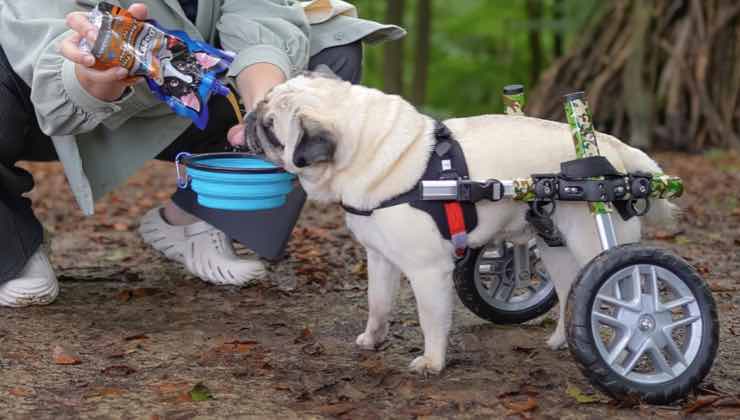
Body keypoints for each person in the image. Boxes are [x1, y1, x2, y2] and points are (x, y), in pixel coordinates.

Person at [0, 0, 404, 307]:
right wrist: (88, 78)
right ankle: (11, 246)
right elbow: (39, 33)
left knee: (333, 49)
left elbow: (258, 12)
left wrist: (267, 107)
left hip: (191, 89)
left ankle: (199, 218)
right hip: (39, 92)